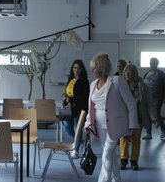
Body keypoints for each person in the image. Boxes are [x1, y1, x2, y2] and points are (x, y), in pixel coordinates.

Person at [84, 53, 138, 182]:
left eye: (95, 68)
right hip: (99, 126)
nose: (92, 70)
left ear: (102, 67)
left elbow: (131, 104)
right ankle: (117, 179)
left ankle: (103, 180)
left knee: (106, 154)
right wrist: (88, 124)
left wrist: (132, 125)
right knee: (111, 155)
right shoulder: (92, 85)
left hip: (116, 126)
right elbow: (91, 109)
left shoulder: (117, 81)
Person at [118, 64, 156, 170]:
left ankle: (134, 161)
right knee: (124, 138)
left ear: (135, 74)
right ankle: (123, 160)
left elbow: (150, 104)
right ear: (124, 74)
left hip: (138, 117)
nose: (128, 75)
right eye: (126, 73)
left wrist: (153, 118)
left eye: (131, 72)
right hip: (125, 117)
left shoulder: (143, 87)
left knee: (136, 140)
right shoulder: (121, 86)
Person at [62, 59, 89, 158]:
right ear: (72, 69)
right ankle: (79, 141)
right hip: (69, 109)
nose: (76, 70)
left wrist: (71, 100)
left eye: (78, 68)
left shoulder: (84, 81)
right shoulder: (70, 79)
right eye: (75, 67)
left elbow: (84, 96)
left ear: (82, 69)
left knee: (77, 128)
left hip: (79, 109)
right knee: (67, 127)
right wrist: (65, 97)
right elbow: (68, 92)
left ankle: (76, 150)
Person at [142, 57, 165, 139]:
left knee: (156, 114)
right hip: (147, 98)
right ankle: (148, 133)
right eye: (151, 62)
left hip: (157, 98)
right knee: (147, 115)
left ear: (157, 64)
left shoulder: (161, 74)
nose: (151, 64)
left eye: (153, 62)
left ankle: (164, 129)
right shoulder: (147, 73)